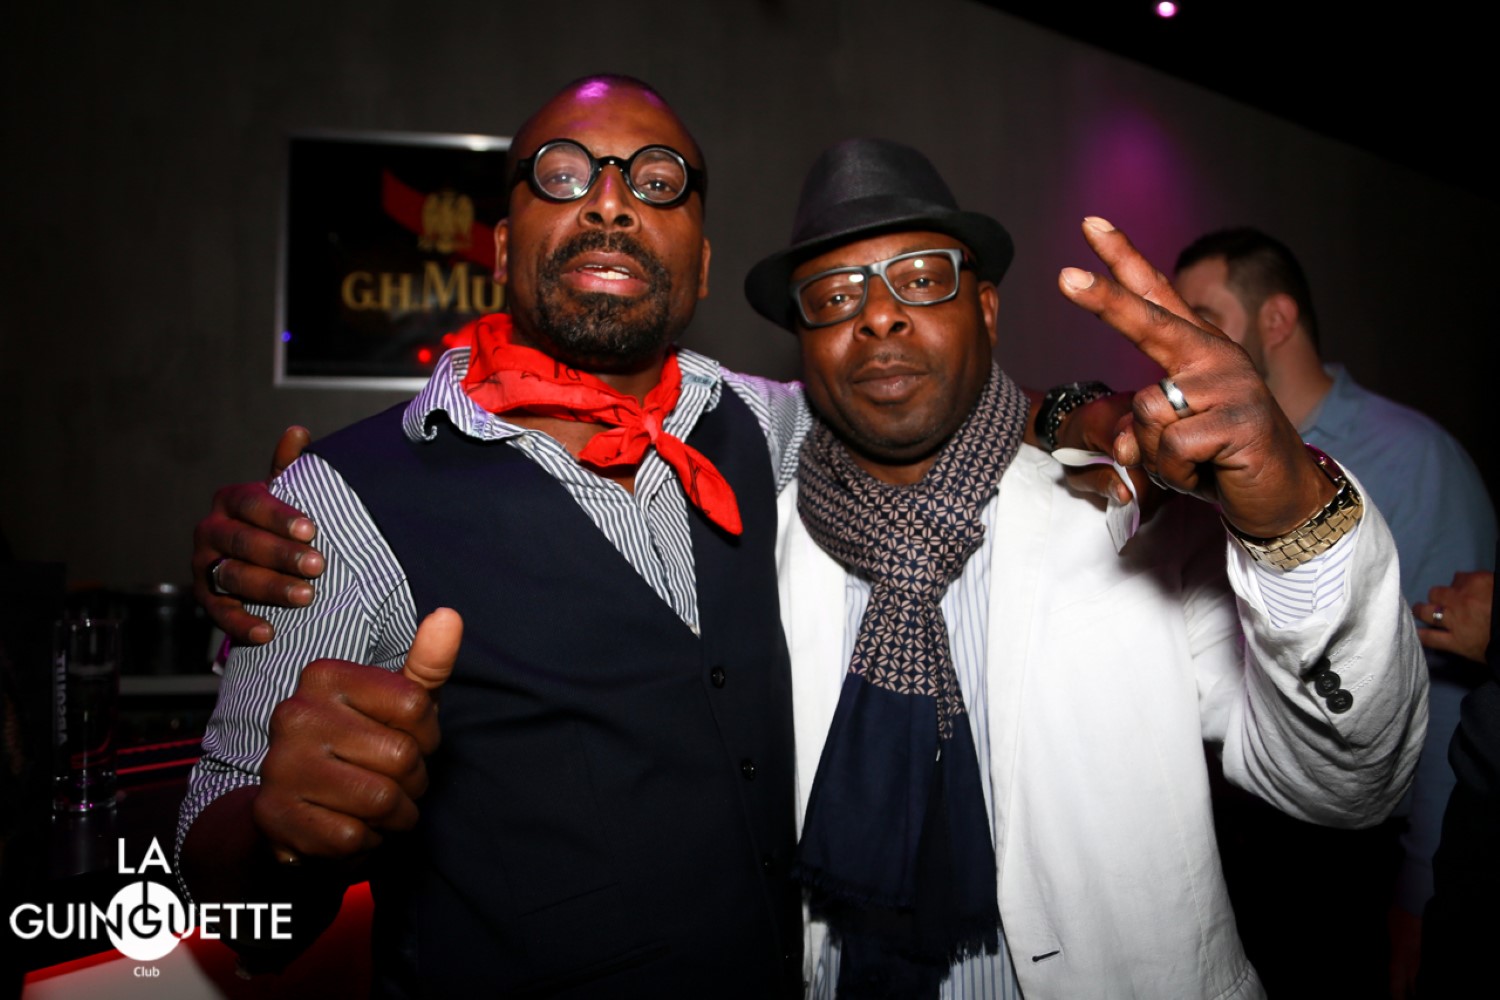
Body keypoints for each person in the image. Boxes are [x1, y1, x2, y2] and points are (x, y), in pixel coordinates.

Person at [178, 74, 809, 996]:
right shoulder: (339, 500)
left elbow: (932, 419)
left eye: (657, 181)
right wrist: (281, 836)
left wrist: (1044, 416)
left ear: (703, 264)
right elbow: (224, 883)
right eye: (564, 174)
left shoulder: (769, 424)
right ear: (505, 247)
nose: (611, 203)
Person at [1174, 229, 1497, 996]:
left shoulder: (1412, 456)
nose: (1181, 340)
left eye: (1203, 316)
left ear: (1276, 320)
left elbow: (1453, 684)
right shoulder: (1197, 455)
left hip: (1357, 856)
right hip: (1243, 842)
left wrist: (1420, 891)